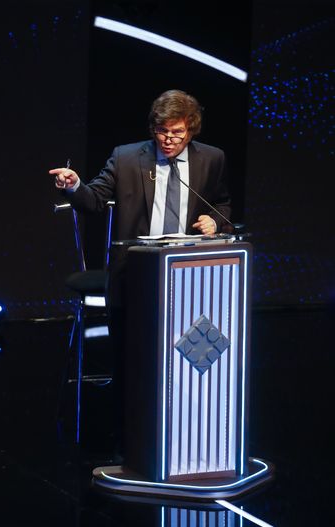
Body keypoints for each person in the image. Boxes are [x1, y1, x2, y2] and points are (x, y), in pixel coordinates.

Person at [48, 89, 231, 456]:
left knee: (185, 357)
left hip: (187, 274)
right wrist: (74, 186)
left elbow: (222, 204)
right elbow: (94, 199)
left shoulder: (212, 159)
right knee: (131, 361)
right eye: (162, 131)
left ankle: (186, 433)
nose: (169, 140)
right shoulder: (127, 157)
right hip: (135, 274)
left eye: (177, 133)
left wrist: (215, 221)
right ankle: (129, 440)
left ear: (191, 130)